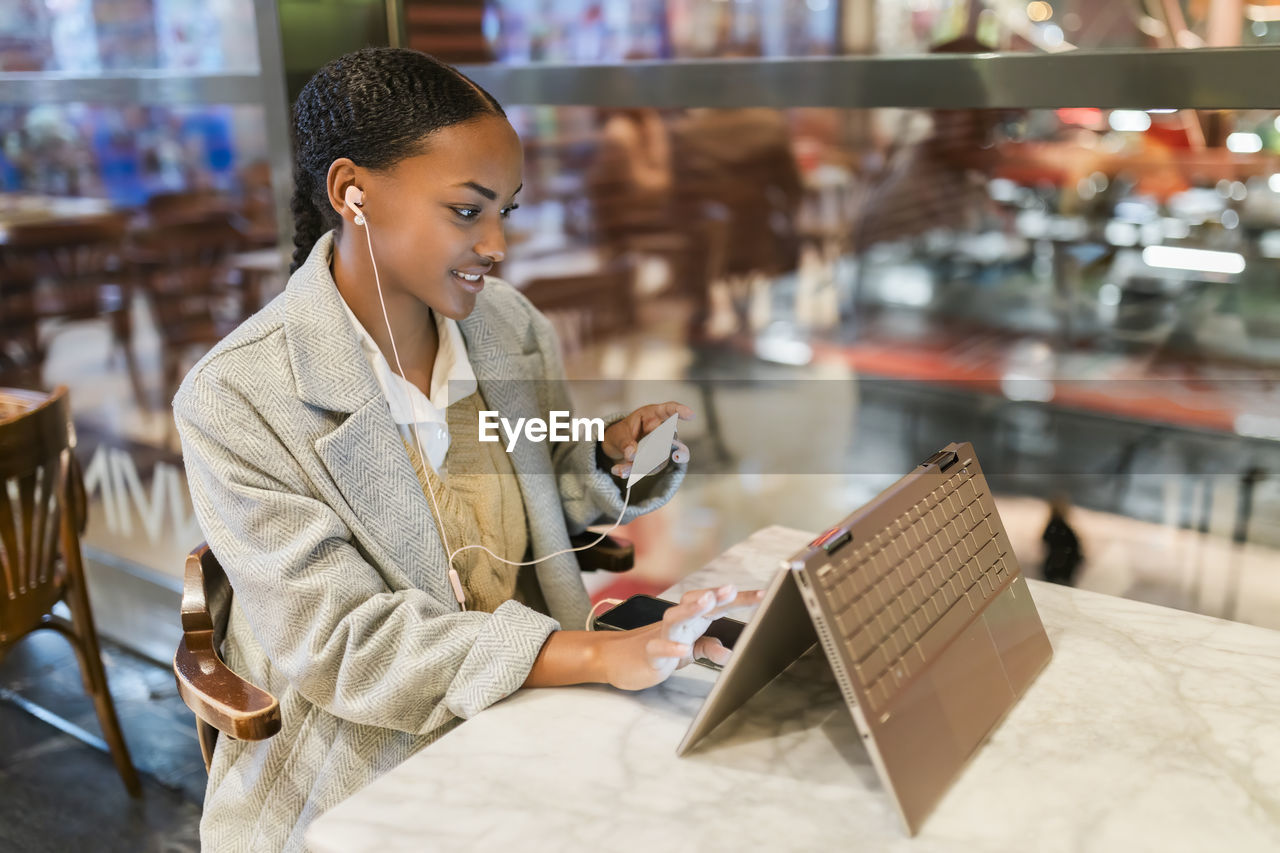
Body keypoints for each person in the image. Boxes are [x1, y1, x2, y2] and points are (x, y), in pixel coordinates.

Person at [172, 48, 761, 851]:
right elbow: (351, 647)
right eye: (466, 210)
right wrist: (590, 652)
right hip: (359, 763)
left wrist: (604, 465)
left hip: (536, 706)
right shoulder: (238, 397)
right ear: (353, 192)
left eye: (506, 213)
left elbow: (535, 501)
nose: (497, 245)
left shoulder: (509, 329)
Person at [1041, 495, 1084, 586]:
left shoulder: (1057, 526)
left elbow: (1045, 538)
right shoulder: (1060, 527)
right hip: (1059, 568)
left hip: (1058, 567)